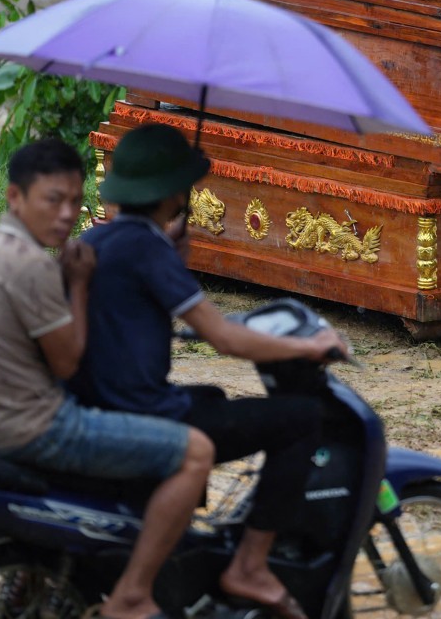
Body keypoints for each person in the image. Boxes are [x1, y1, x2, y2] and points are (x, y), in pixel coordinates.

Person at [68, 124, 345, 619]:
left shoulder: (111, 241)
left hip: (101, 401)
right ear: (175, 191)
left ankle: (178, 549)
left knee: (213, 398)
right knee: (300, 417)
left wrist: (174, 264)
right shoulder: (148, 249)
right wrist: (307, 347)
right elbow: (224, 337)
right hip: (141, 412)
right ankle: (250, 566)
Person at [0, 138, 215, 619]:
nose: (68, 213)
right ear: (15, 197)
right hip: (40, 430)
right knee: (195, 451)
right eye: (53, 200)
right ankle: (134, 594)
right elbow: (68, 362)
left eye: (75, 200)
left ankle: (37, 576)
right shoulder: (30, 267)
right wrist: (81, 286)